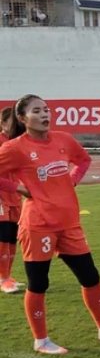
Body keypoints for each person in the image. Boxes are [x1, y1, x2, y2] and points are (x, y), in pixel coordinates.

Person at [0, 94, 100, 354]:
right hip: (38, 225)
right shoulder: (15, 148)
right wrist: (19, 188)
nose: (44, 114)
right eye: (37, 111)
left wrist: (72, 180)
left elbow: (83, 160)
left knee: (90, 276)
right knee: (39, 283)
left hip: (69, 223)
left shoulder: (64, 139)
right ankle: (41, 341)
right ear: (22, 118)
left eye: (46, 109)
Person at [0, 107, 25, 294]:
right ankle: (3, 279)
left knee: (12, 237)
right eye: (13, 122)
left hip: (15, 195)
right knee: (3, 236)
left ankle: (7, 276)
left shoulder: (17, 142)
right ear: (3, 123)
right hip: (2, 195)